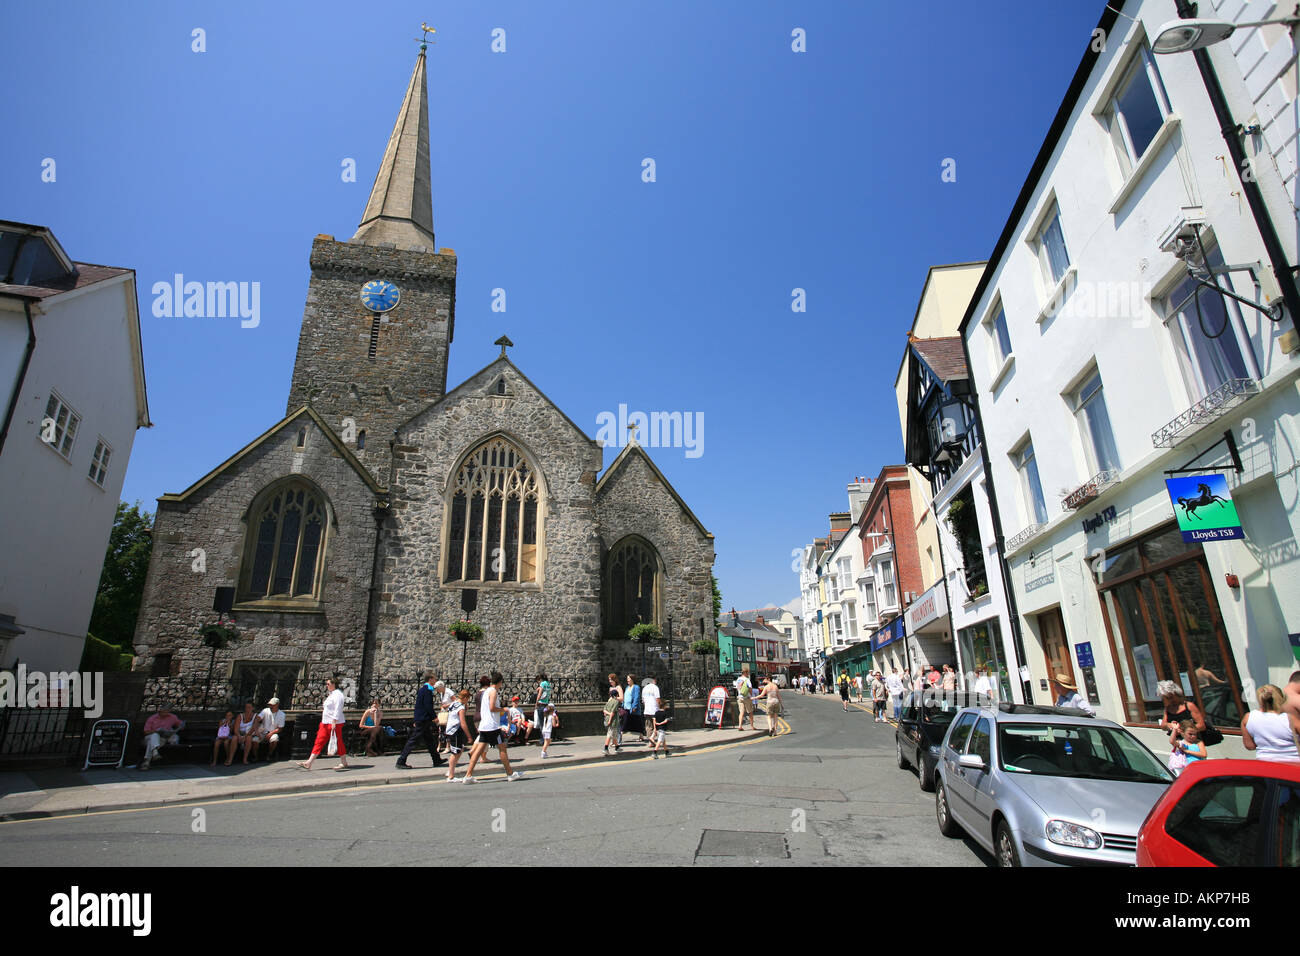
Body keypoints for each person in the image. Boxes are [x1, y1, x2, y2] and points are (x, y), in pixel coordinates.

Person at [460, 671, 523, 783]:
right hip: (492, 726)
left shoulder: (486, 691)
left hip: (485, 726)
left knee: (478, 751)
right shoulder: (493, 691)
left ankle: (468, 776)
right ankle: (510, 774)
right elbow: (492, 708)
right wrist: (503, 710)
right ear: (500, 682)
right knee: (502, 749)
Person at [396, 670, 445, 769]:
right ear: (430, 679)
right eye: (435, 679)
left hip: (422, 718)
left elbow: (419, 706)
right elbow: (427, 706)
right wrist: (434, 717)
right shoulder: (427, 690)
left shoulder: (424, 689)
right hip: (423, 719)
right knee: (413, 740)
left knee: (430, 740)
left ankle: (436, 759)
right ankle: (401, 760)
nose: (435, 681)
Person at [1241, 684, 1300, 764]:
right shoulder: (1291, 718)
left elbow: (1250, 746)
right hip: (1293, 765)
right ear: (1281, 698)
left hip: (1265, 766)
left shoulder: (1248, 718)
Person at [300, 677, 349, 771]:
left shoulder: (338, 695)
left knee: (338, 742)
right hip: (325, 722)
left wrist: (334, 720)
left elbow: (338, 708)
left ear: (333, 684)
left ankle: (344, 762)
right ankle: (309, 762)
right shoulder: (331, 694)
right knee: (319, 740)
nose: (327, 686)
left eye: (328, 684)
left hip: (335, 723)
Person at [443, 689, 473, 781]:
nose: (467, 701)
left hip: (450, 729)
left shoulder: (453, 704)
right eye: (467, 699)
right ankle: (451, 776)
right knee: (455, 753)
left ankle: (450, 770)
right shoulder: (460, 708)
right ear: (465, 698)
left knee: (460, 749)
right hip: (455, 730)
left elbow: (446, 706)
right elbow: (463, 723)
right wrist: (469, 736)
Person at [257, 696, 287, 761]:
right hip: (262, 731)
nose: (271, 706)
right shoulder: (265, 711)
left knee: (275, 739)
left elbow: (280, 728)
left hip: (273, 732)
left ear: (277, 705)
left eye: (272, 705)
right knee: (254, 740)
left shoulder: (282, 714)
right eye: (270, 705)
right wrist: (257, 731)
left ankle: (270, 754)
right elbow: (257, 719)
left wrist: (271, 733)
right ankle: (255, 755)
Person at [602, 687, 622, 755]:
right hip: (613, 721)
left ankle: (617, 747)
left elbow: (604, 710)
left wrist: (608, 714)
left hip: (606, 718)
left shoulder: (609, 701)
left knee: (614, 734)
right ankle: (605, 748)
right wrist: (610, 720)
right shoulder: (616, 701)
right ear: (616, 695)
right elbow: (613, 712)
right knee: (610, 734)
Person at [622, 674, 642, 739]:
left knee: (635, 721)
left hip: (632, 708)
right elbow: (625, 697)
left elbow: (636, 697)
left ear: (632, 679)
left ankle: (621, 734)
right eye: (627, 678)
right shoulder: (627, 687)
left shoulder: (636, 687)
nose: (627, 680)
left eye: (629, 678)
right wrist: (623, 704)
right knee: (629, 721)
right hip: (626, 707)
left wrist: (634, 706)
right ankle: (641, 735)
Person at [642, 675, 661, 741]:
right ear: (653, 680)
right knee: (655, 726)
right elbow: (657, 699)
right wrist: (659, 708)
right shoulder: (655, 687)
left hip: (647, 710)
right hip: (654, 709)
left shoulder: (645, 688)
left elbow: (643, 700)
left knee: (648, 726)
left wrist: (646, 707)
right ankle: (653, 740)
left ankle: (649, 739)